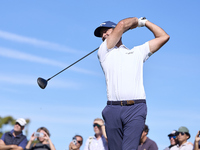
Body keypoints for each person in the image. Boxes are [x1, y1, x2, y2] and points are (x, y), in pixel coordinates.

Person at [94, 16, 170, 150]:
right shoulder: (103, 52)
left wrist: (145, 23)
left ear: (117, 31)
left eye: (107, 31)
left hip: (136, 108)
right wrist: (137, 21)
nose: (104, 35)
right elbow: (123, 24)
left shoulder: (137, 52)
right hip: (113, 109)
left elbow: (163, 37)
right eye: (102, 34)